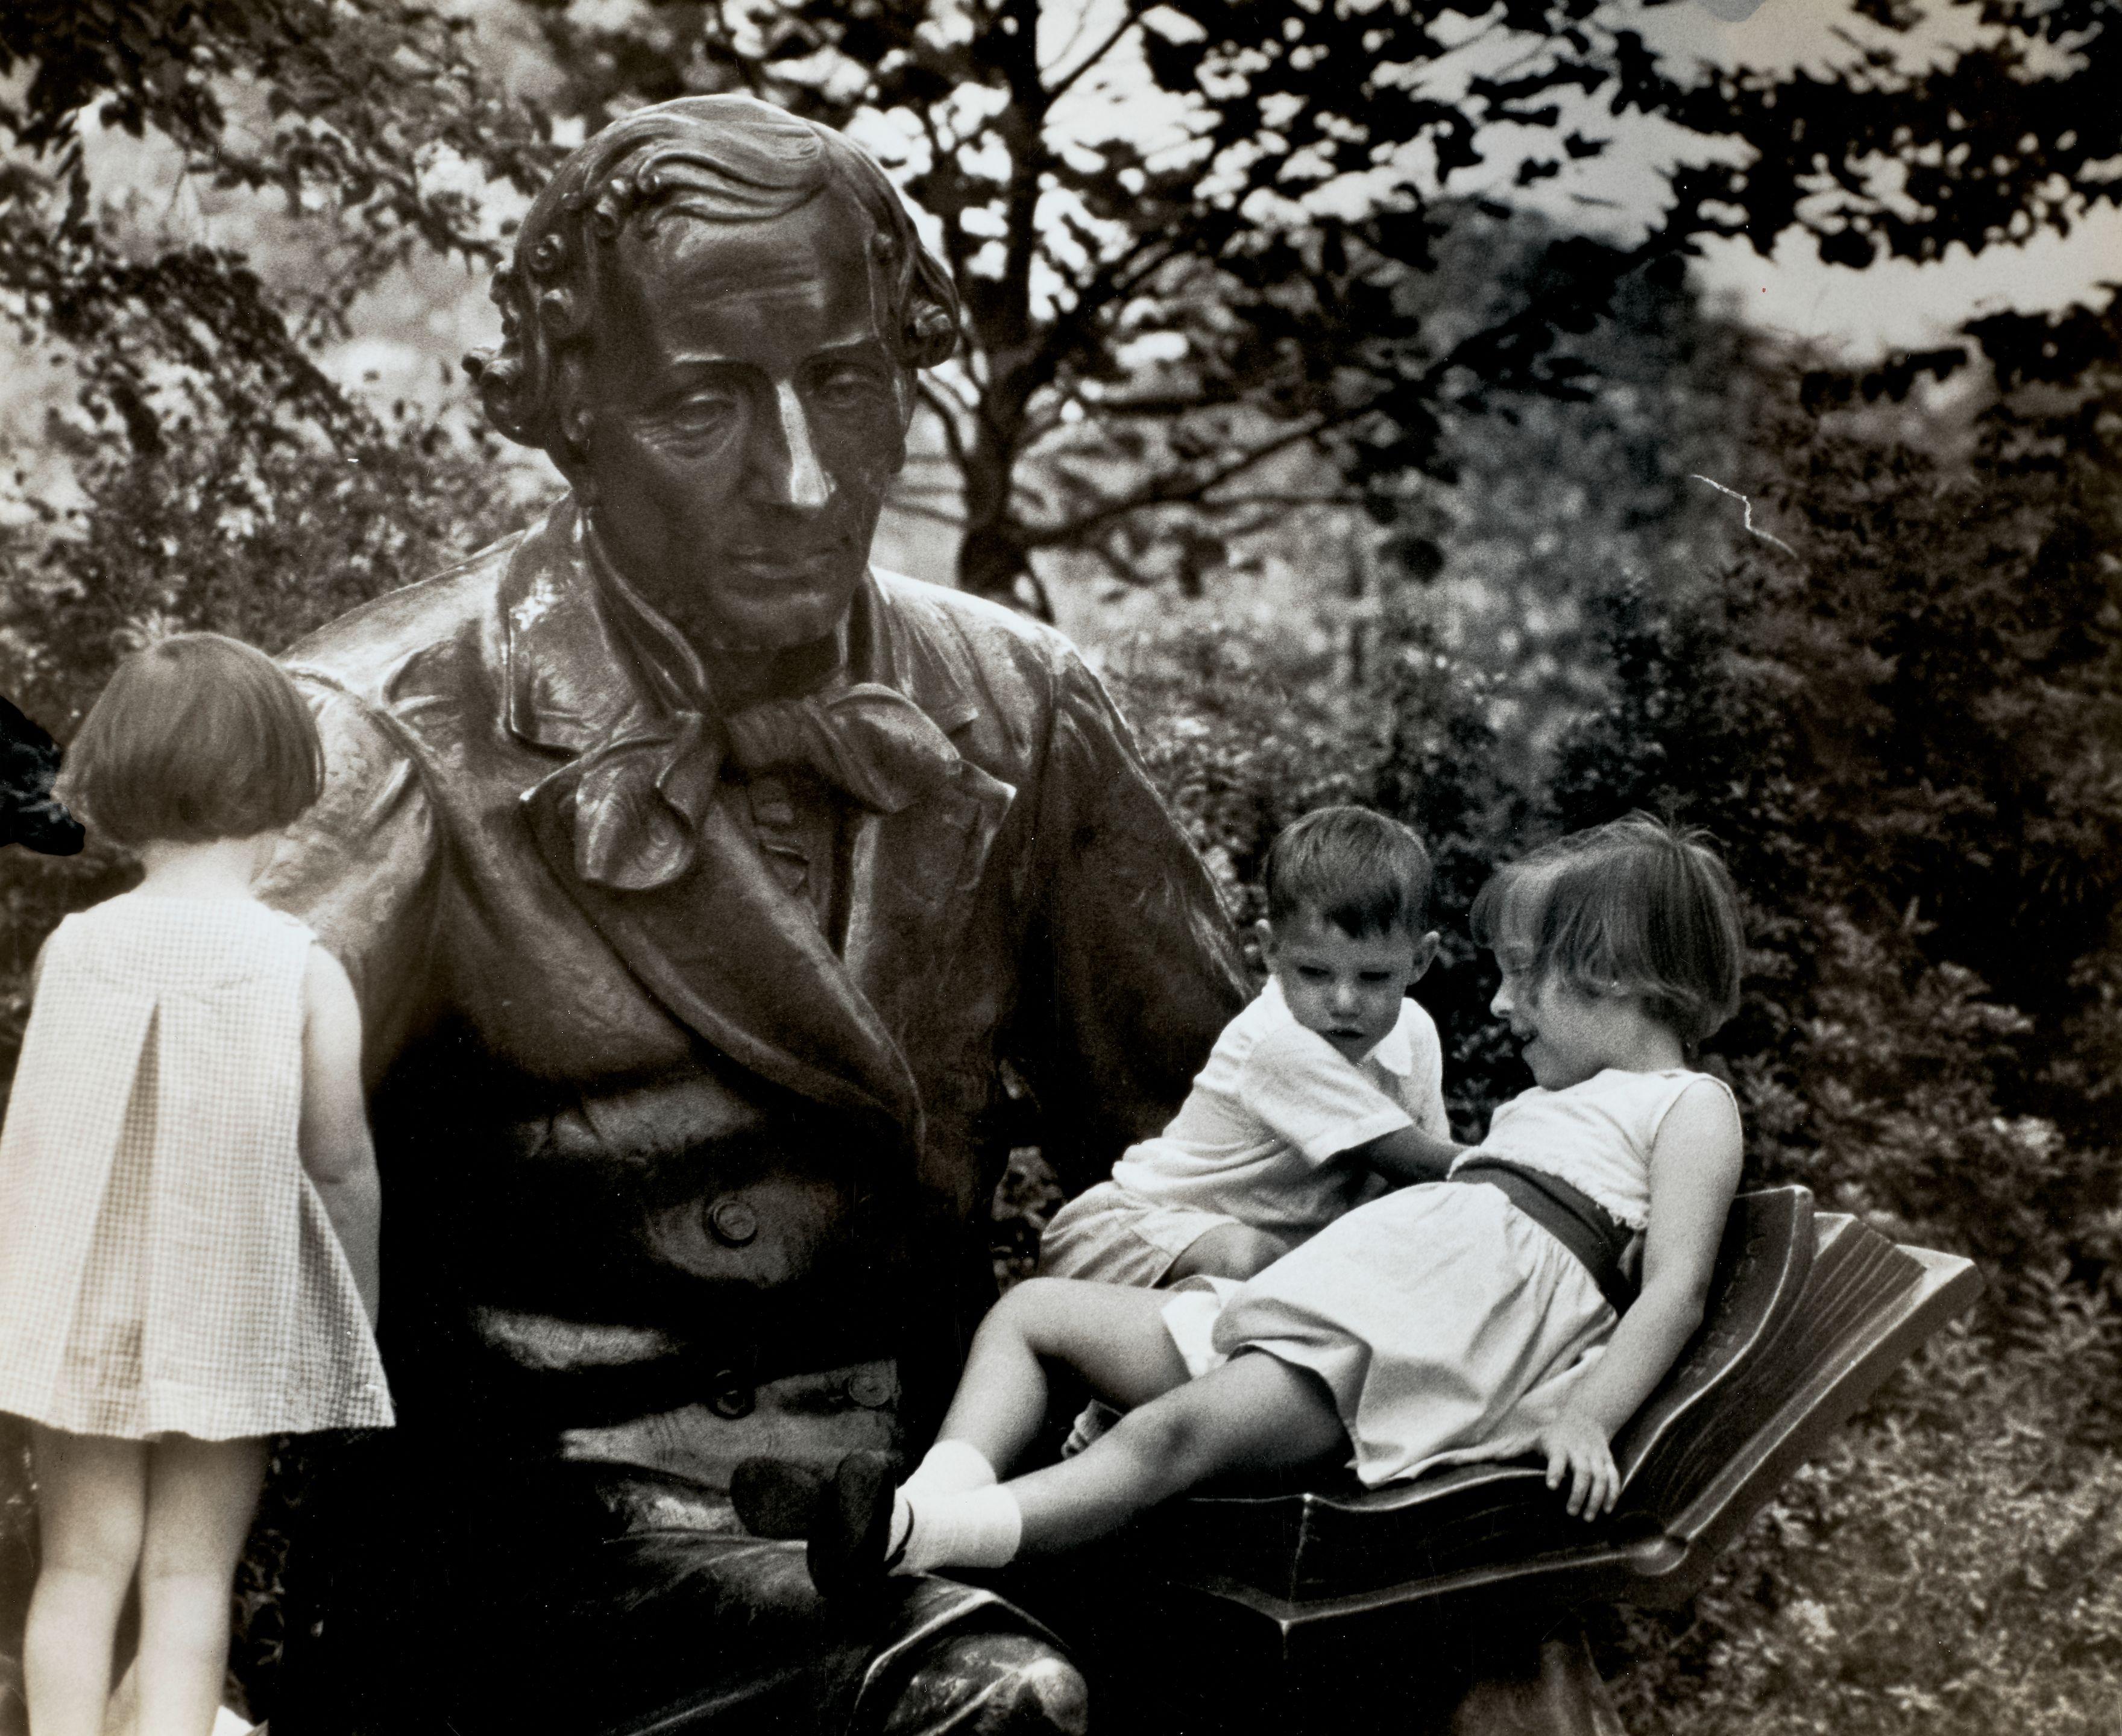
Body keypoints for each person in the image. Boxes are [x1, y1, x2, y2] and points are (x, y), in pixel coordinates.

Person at [251, 95, 1246, 1735]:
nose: (798, 477)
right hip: (526, 1569)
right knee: (990, 1705)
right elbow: (157, 1227)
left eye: (844, 384)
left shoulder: (1022, 707)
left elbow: (1224, 1148)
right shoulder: (377, 738)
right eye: (704, 404)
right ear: (575, 410)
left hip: (939, 1501)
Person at [789, 814, 1747, 1596]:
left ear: (1613, 976)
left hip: (1398, 1351)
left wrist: (1587, 1415)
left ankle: (921, 1540)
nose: (1500, 1006)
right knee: (1034, 1314)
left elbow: (1675, 1290)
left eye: (1525, 978)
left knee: (1167, 1436)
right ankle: (922, 1499)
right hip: (1344, 1300)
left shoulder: (1691, 1105)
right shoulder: (1549, 1105)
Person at [0, 635, 389, 1736]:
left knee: (79, 1566)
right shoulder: (300, 968)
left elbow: (41, 1144)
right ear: (285, 783)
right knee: (188, 1577)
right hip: (229, 1313)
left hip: (83, 1313)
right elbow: (339, 1164)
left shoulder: (75, 951)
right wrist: (353, 1310)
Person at [1039, 805, 1458, 1288]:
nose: (1344, 1003)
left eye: (1374, 977)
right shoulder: (1278, 1042)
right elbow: (1419, 1162)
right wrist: (1531, 1158)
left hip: (1248, 1257)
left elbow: (1437, 1187)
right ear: (1272, 950)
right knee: (1253, 1260)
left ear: (1420, 959)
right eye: (1315, 973)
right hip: (1131, 1237)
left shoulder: (1416, 1033)